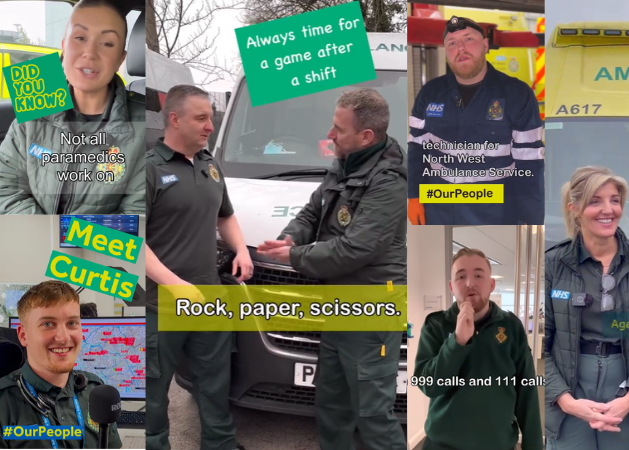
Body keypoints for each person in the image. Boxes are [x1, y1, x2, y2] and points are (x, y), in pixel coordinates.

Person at [257, 88, 407, 450]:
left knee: (371, 414)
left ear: (366, 136)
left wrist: (294, 257)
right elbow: (313, 211)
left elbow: (356, 248)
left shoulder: (390, 181)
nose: (329, 134)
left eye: (338, 129)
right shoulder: (346, 162)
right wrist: (290, 237)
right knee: (331, 404)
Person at [144, 84, 253, 450]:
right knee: (152, 391)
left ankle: (220, 445)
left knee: (214, 383)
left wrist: (241, 250)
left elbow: (225, 215)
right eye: (201, 118)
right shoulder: (147, 170)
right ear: (175, 119)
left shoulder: (209, 164)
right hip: (159, 304)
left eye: (210, 117)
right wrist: (174, 284)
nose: (210, 126)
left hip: (208, 299)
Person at [544, 166, 629, 450]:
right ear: (574, 209)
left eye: (615, 200)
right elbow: (540, 344)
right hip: (569, 388)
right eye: (595, 201)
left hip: (625, 387)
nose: (608, 209)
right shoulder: (552, 264)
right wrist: (567, 402)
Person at [0, 0, 145, 215]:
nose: (90, 52)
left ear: (120, 59)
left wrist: (64, 235)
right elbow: (6, 188)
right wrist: (45, 232)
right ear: (63, 45)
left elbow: (136, 216)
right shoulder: (37, 97)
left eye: (107, 43)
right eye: (80, 38)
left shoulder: (143, 124)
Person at [407, 15, 544, 225]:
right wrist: (414, 196)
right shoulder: (430, 93)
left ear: (485, 45)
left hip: (494, 215)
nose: (460, 48)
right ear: (446, 52)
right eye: (452, 43)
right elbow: (417, 149)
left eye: (468, 39)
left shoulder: (516, 94)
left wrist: (532, 218)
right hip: (438, 210)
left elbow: (530, 163)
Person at [414, 247, 542, 450]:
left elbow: (527, 392)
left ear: (491, 285)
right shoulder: (436, 325)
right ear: (451, 287)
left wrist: (533, 445)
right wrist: (456, 343)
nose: (469, 283)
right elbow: (428, 385)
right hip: (442, 445)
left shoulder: (511, 326)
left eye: (478, 275)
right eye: (461, 276)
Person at [0, 280, 122, 449]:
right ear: (23, 335)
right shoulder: (3, 404)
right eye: (47, 324)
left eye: (72, 323)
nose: (63, 338)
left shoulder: (95, 391)